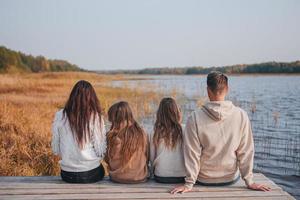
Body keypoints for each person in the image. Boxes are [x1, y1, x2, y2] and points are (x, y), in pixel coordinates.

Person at [171, 71, 271, 194]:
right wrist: (249, 181)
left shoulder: (195, 117)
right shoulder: (241, 115)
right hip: (230, 179)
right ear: (227, 89)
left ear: (208, 90)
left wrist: (189, 184)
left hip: (204, 179)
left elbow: (192, 154)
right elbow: (246, 151)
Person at [51, 80, 106, 183]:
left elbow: (56, 149)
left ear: (72, 96)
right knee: (101, 170)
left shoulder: (59, 115)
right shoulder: (95, 117)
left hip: (67, 175)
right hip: (91, 173)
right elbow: (100, 151)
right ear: (91, 97)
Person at [105, 101, 148, 183]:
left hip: (117, 177)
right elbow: (147, 155)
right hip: (139, 177)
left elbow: (107, 159)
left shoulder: (111, 135)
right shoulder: (142, 132)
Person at [150, 97, 185, 183]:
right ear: (176, 112)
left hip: (161, 176)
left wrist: (151, 172)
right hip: (182, 176)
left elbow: (151, 157)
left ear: (160, 113)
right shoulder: (184, 129)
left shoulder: (155, 131)